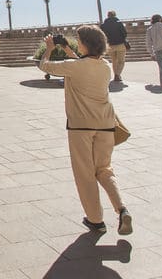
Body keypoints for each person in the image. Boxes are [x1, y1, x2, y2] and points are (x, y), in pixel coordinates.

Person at [39, 25, 132, 236]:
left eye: (79, 40)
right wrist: (67, 49)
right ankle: (122, 209)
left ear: (85, 44)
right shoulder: (105, 66)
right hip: (106, 125)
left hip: (81, 127)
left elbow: (45, 66)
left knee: (85, 174)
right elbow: (82, 63)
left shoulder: (74, 67)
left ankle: (96, 219)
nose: (77, 43)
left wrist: (49, 48)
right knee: (104, 169)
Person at [100, 10, 128, 82]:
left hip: (110, 45)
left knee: (114, 61)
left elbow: (102, 35)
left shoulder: (103, 25)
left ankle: (116, 75)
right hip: (120, 44)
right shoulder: (119, 23)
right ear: (115, 15)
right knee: (121, 61)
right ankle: (117, 75)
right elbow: (124, 33)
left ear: (108, 16)